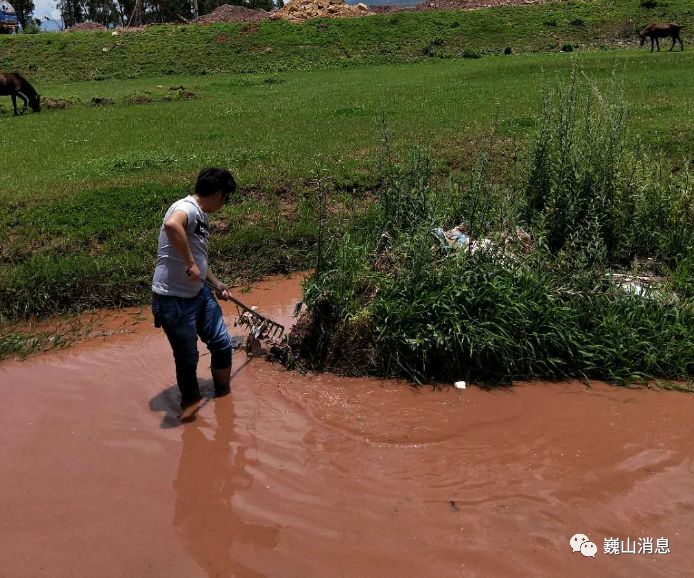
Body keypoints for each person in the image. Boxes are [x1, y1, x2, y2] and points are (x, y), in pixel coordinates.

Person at [152, 167, 236, 419]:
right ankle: (190, 405)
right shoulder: (187, 208)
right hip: (173, 300)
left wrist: (216, 282)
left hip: (199, 294)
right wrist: (189, 263)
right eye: (226, 199)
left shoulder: (199, 215)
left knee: (222, 343)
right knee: (188, 358)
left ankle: (224, 396)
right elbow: (171, 225)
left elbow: (199, 261)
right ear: (219, 195)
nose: (223, 205)